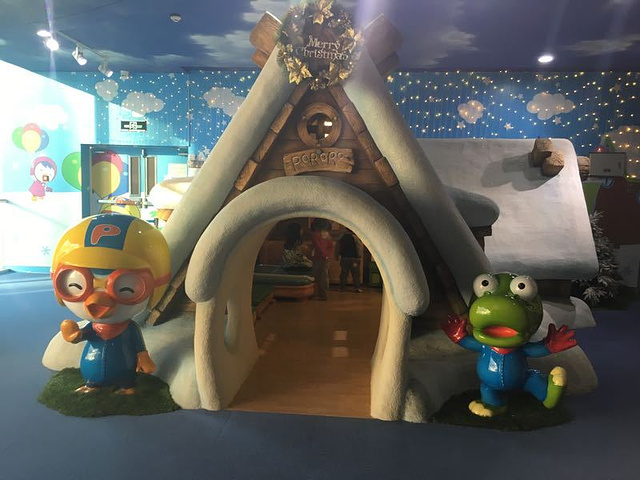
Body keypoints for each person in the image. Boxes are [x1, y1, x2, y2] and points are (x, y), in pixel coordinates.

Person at [310, 218, 334, 300]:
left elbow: (317, 246)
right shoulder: (327, 234)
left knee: (317, 276)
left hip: (318, 257)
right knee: (324, 276)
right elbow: (331, 246)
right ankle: (323, 294)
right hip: (325, 258)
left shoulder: (315, 234)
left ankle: (317, 294)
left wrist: (324, 254)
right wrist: (327, 255)